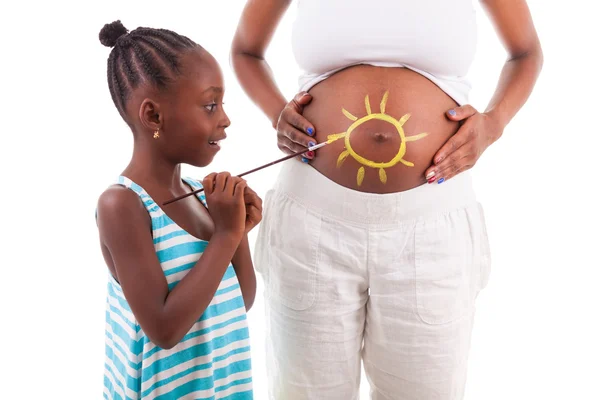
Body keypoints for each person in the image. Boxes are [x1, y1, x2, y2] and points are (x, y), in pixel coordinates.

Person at [231, 0, 542, 399]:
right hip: (313, 222)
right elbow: (245, 49)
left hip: (432, 224)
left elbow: (526, 52)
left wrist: (493, 124)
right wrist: (277, 112)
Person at [96, 20, 261, 399]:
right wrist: (224, 235)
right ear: (153, 116)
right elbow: (165, 330)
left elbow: (240, 300)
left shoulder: (199, 196)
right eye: (210, 105)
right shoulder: (122, 204)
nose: (225, 118)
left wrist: (238, 232)